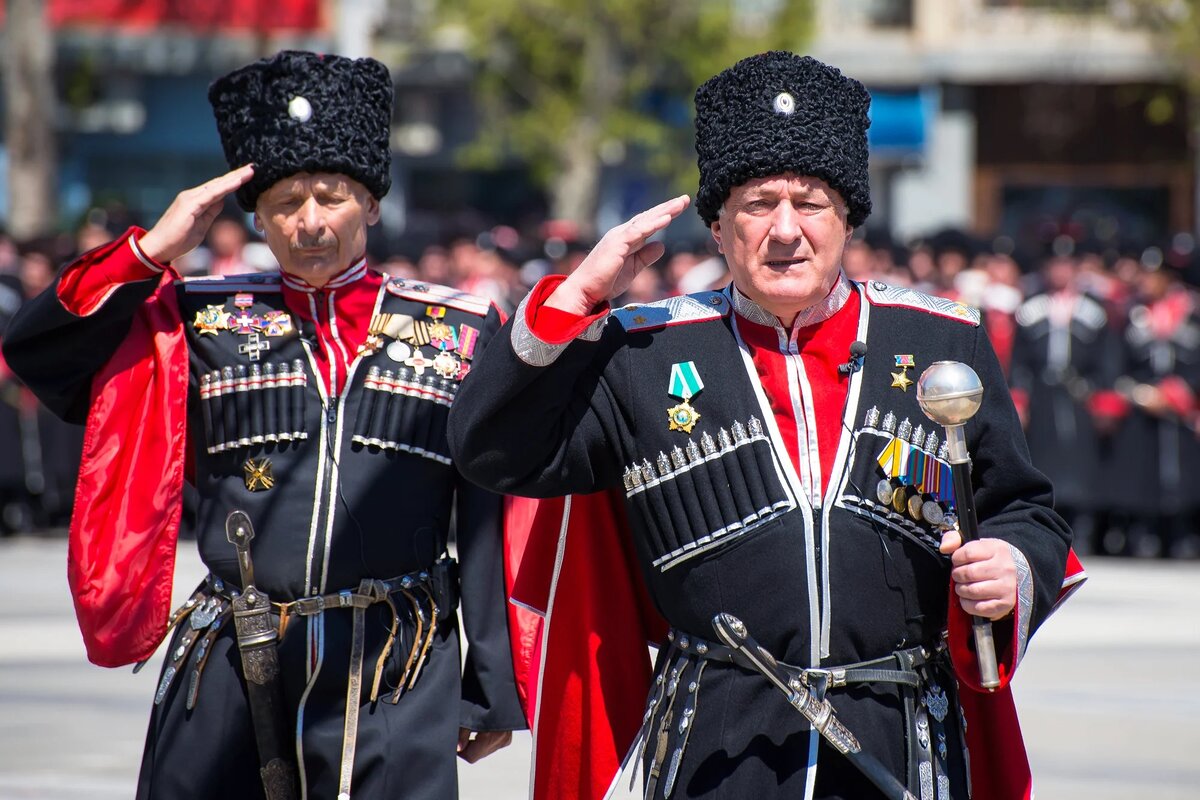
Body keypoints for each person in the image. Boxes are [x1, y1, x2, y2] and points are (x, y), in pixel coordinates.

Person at [448, 52, 1083, 800]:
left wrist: (1010, 564)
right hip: (712, 743)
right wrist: (576, 298)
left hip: (902, 737)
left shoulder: (945, 340)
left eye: (810, 202)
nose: (786, 230)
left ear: (848, 219)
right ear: (718, 227)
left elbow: (1024, 509)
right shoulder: (642, 351)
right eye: (758, 204)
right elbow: (491, 451)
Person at [2, 50, 524, 799]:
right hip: (234, 657)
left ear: (371, 204)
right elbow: (38, 352)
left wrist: (491, 682)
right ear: (257, 216)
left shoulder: (463, 329)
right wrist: (151, 251)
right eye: (284, 202)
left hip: (397, 665)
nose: (309, 222)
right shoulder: (197, 319)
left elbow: (485, 518)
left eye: (330, 196)